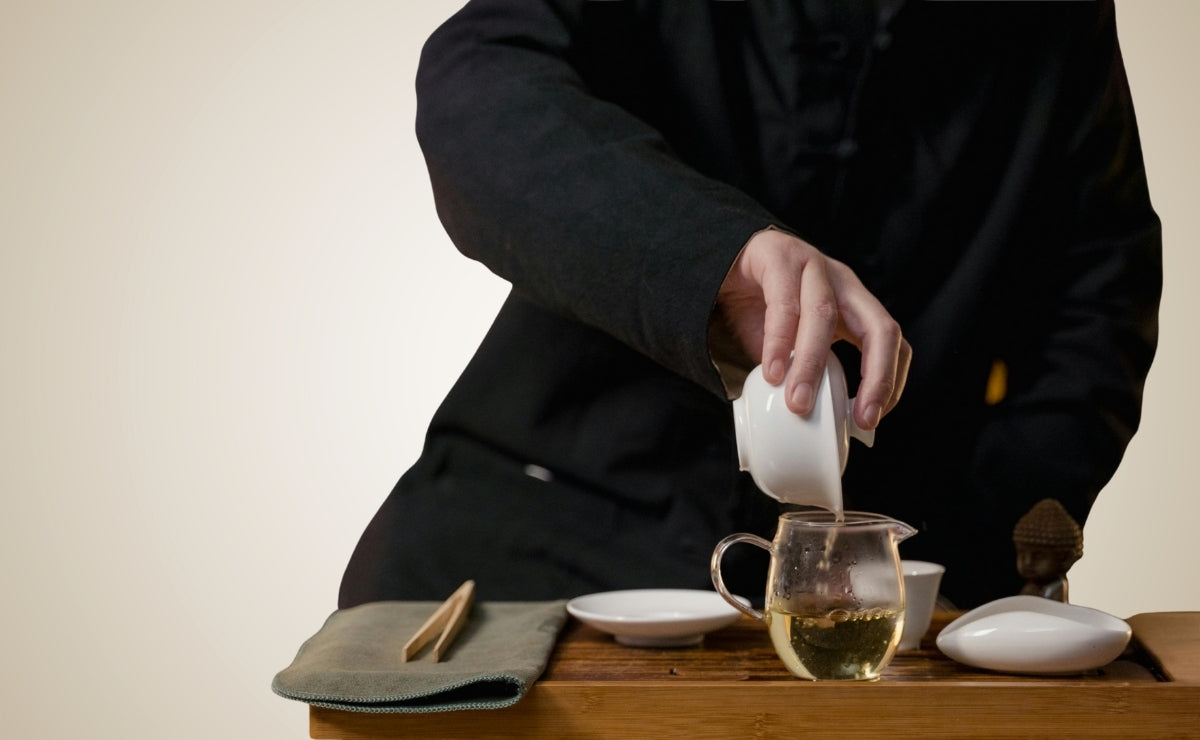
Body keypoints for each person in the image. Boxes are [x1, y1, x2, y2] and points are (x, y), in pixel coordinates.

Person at [338, 0, 1161, 610]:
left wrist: (978, 550)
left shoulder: (1055, 20)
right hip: (532, 545)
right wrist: (717, 258)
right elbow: (478, 87)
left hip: (881, 588)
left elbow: (1101, 285)